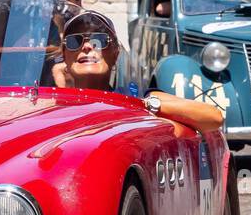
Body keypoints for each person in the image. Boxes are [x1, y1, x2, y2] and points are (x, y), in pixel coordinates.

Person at [51, 11, 225, 133]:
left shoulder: (135, 98)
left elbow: (213, 117)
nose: (87, 46)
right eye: (74, 41)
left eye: (99, 39)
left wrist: (143, 105)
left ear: (115, 54)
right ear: (64, 56)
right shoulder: (49, 107)